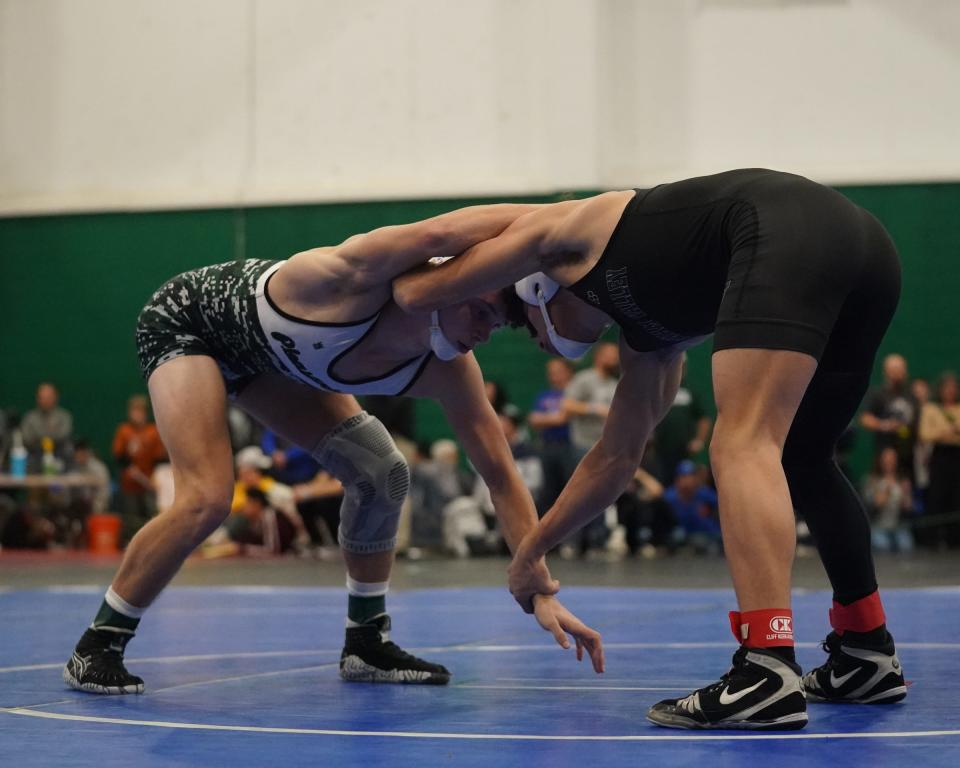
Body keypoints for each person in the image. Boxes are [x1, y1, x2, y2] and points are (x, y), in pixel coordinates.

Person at [394, 168, 906, 729]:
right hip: (863, 249)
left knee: (741, 444)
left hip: (786, 227)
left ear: (533, 288)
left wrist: (371, 287)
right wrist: (529, 555)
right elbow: (614, 462)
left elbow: (429, 257)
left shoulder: (565, 233)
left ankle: (766, 667)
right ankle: (865, 649)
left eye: (511, 321)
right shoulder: (653, 342)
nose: (522, 337)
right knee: (802, 457)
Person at [63, 204, 603, 697]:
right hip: (190, 326)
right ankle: (97, 646)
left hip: (270, 360)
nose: (486, 333)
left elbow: (501, 476)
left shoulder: (451, 370)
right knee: (206, 497)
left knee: (381, 471)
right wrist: (564, 218)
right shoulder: (354, 276)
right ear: (451, 284)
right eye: (484, 314)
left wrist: (538, 585)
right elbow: (438, 231)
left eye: (500, 323)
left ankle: (366, 640)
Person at [112, 395, 167, 544]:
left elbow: (159, 458)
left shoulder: (153, 431)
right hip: (130, 483)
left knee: (150, 513)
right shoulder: (124, 431)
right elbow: (119, 457)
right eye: (134, 411)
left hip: (149, 482)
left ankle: (153, 542)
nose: (137, 414)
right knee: (131, 516)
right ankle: (130, 542)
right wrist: (130, 470)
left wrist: (154, 478)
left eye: (140, 411)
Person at [919, 371, 960, 548]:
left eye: (953, 388)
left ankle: (955, 538)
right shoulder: (930, 409)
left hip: (957, 457)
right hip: (939, 457)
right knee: (937, 495)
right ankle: (933, 538)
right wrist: (950, 431)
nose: (950, 391)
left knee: (956, 497)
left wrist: (942, 432)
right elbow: (925, 434)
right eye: (947, 388)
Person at [860, 354, 918, 477]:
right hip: (884, 453)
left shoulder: (911, 395)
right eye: (895, 369)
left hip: (908, 454)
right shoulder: (878, 394)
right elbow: (865, 419)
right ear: (886, 371)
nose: (898, 373)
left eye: (901, 369)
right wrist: (885, 425)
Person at [862, 447, 914, 553]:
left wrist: (906, 494)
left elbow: (908, 507)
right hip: (878, 526)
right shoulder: (871, 480)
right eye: (886, 459)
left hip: (897, 526)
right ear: (880, 460)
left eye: (892, 459)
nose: (889, 462)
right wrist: (887, 491)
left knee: (906, 546)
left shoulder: (902, 480)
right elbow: (872, 506)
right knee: (883, 546)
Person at [20, 382, 73, 472]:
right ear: (38, 399)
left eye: (48, 397)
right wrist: (50, 435)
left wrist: (39, 437)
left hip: (59, 455)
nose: (45, 401)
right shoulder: (30, 417)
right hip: (35, 456)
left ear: (55, 397)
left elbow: (63, 435)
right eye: (42, 398)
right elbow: (27, 438)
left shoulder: (64, 417)